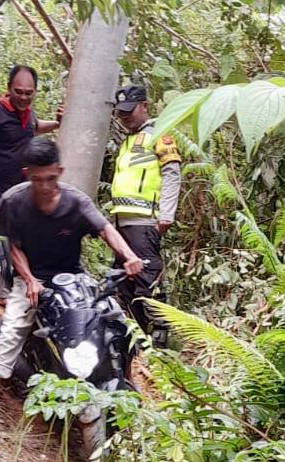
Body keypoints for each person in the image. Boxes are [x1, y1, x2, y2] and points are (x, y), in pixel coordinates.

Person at [0, 137, 143, 431]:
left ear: (60, 172)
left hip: (74, 276)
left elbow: (105, 229)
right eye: (38, 179)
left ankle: (127, 380)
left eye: (51, 178)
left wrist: (129, 255)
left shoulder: (77, 201)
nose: (45, 186)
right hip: (32, 278)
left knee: (118, 321)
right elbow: (13, 247)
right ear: (28, 175)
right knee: (11, 333)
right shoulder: (14, 202)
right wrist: (30, 280)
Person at [0, 65, 62, 302]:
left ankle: (5, 292)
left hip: (21, 192)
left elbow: (34, 127)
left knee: (13, 243)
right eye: (19, 91)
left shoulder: (27, 114)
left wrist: (56, 124)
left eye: (29, 92)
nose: (24, 97)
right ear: (8, 89)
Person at [110, 84, 182, 346]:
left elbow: (172, 172)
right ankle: (134, 339)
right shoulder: (128, 141)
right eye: (121, 113)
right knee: (122, 284)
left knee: (147, 282)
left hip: (144, 222)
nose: (125, 116)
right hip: (121, 224)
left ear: (145, 106)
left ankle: (159, 343)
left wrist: (166, 215)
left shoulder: (159, 135)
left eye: (130, 111)